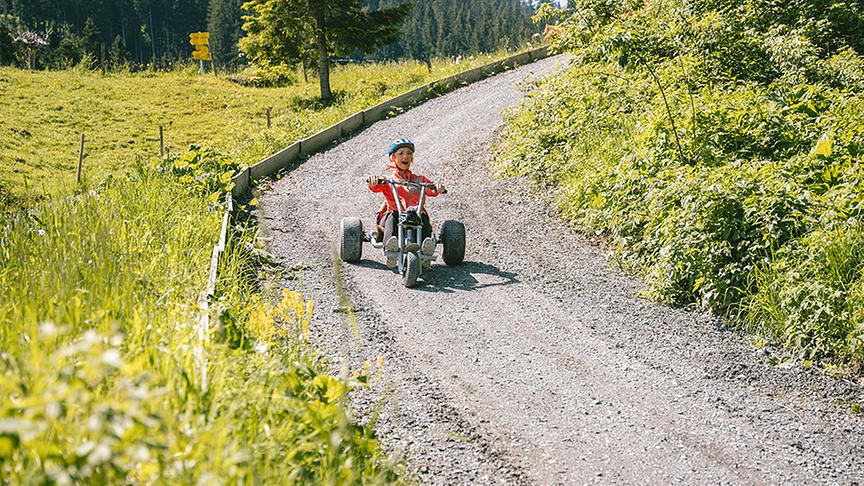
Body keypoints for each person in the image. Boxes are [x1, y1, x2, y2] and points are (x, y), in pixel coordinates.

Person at [367, 138, 446, 267]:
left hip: (415, 215)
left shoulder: (420, 180)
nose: (405, 156)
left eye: (409, 153)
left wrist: (438, 188)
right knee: (393, 215)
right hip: (395, 215)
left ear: (412, 158)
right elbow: (375, 187)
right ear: (393, 158)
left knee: (423, 217)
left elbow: (432, 190)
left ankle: (426, 250)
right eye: (401, 153)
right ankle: (391, 249)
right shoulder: (388, 180)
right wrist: (373, 182)